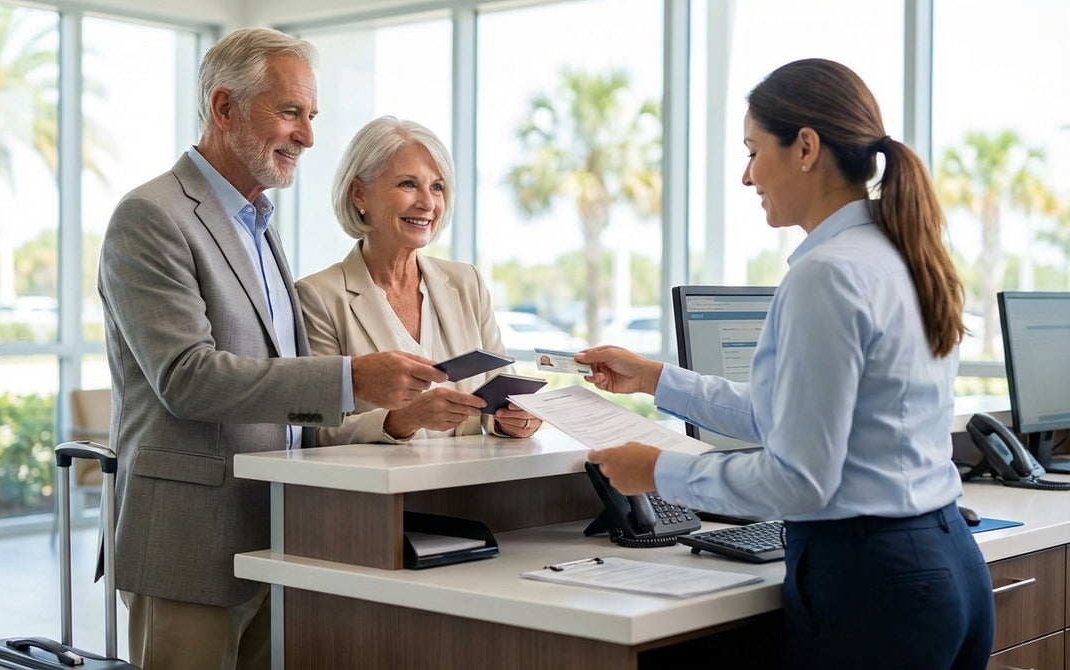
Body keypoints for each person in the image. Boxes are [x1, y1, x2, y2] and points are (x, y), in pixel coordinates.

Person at [578, 58, 994, 669]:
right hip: (945, 562)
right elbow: (796, 417)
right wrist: (656, 379)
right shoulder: (901, 253)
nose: (747, 176)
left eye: (752, 151)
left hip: (873, 583)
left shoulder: (826, 274)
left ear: (805, 147)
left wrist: (659, 471)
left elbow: (800, 478)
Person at [98, 29, 447, 670]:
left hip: (280, 534)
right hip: (192, 543)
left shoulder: (259, 224)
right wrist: (350, 379)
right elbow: (187, 377)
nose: (309, 136)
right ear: (225, 108)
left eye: (310, 116)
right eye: (290, 113)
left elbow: (272, 374)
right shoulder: (151, 216)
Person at [296, 116, 541, 444]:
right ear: (359, 195)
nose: (428, 203)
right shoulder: (319, 297)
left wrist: (515, 420)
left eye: (437, 187)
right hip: (380, 493)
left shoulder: (466, 283)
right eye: (408, 184)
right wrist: (402, 419)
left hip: (471, 487)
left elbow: (502, 395)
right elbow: (314, 431)